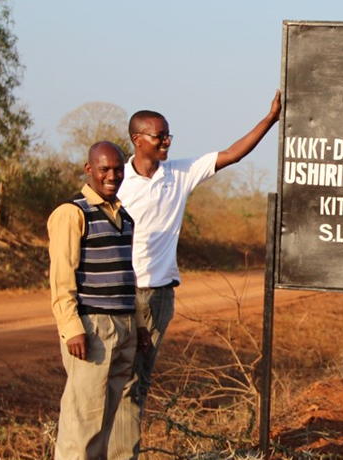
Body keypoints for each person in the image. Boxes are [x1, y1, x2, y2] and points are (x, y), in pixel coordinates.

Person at [108, 91, 282, 459]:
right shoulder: (117, 182)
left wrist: (270, 119)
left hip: (158, 296)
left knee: (137, 381)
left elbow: (232, 154)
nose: (167, 142)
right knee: (112, 379)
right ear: (137, 139)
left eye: (168, 135)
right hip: (120, 292)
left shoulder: (179, 174)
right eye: (159, 136)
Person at [48, 141, 151, 459]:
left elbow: (128, 275)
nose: (112, 176)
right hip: (93, 328)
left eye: (118, 170)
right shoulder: (72, 213)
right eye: (104, 169)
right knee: (82, 423)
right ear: (89, 169)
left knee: (106, 422)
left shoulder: (125, 217)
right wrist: (71, 328)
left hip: (124, 326)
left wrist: (139, 325)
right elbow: (61, 278)